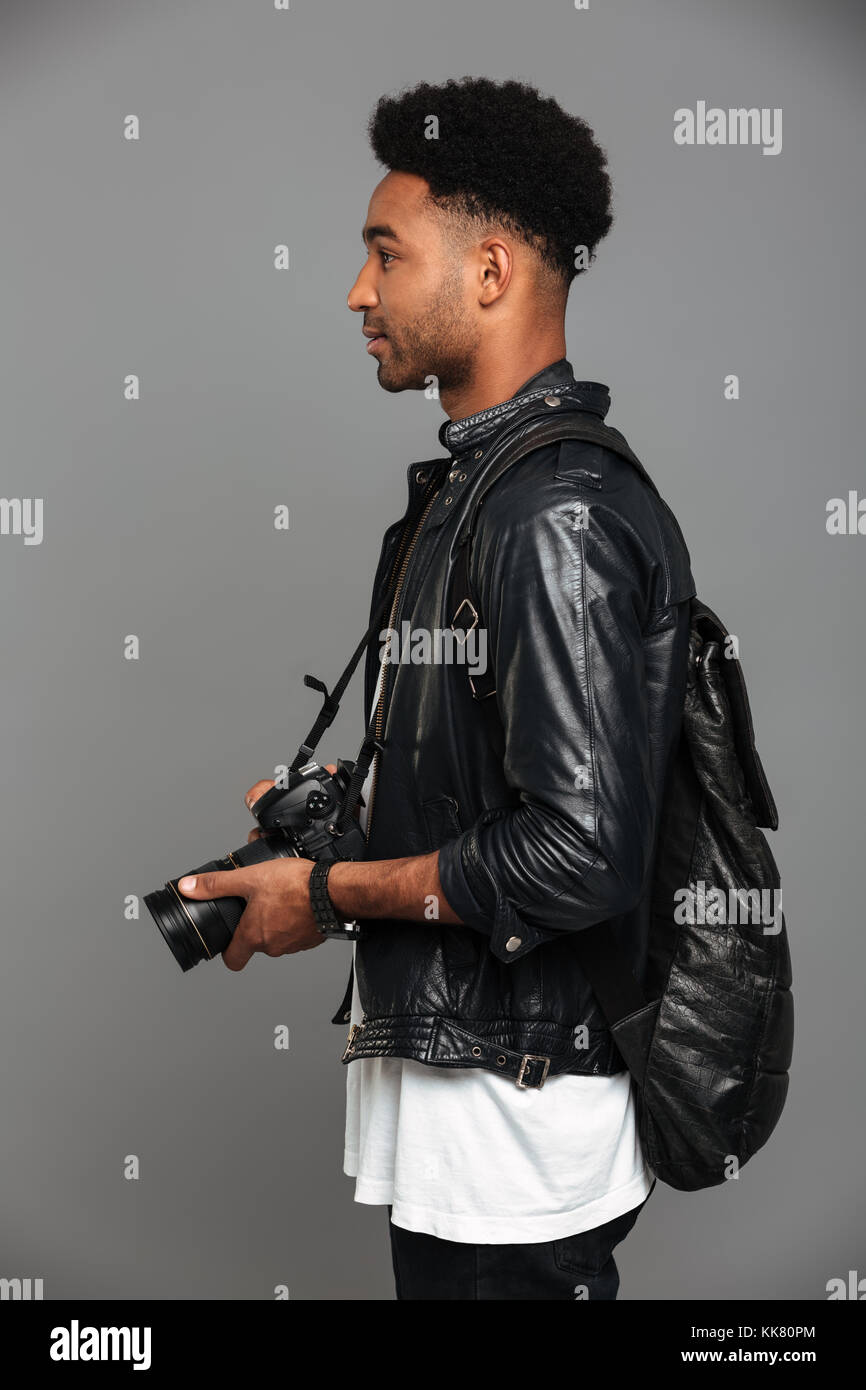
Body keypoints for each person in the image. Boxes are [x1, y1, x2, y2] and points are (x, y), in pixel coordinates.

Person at [178, 76, 694, 1300]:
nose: (356, 292)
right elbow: (496, 787)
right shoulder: (469, 499)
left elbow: (576, 853)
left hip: (513, 1128)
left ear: (492, 270)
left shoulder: (551, 514)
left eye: (382, 253)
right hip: (464, 1109)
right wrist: (343, 826)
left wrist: (329, 888)